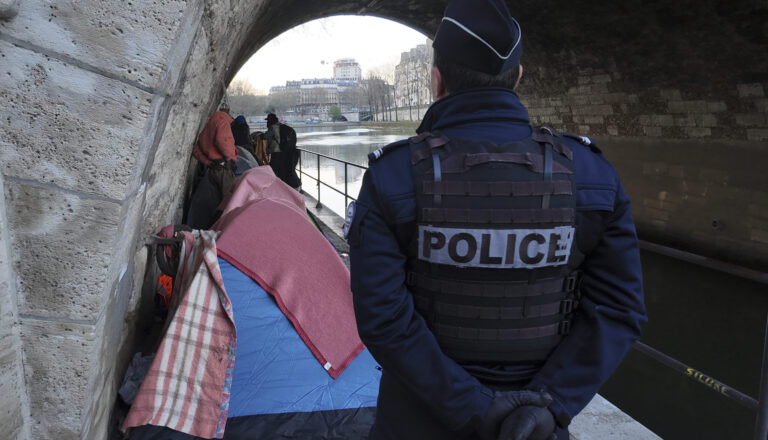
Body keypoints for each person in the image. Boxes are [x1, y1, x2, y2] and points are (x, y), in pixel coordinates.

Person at [346, 1, 647, 440]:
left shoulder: (392, 176)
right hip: (537, 426)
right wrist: (551, 403)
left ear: (436, 80)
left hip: (418, 420)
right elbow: (618, 309)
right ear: (518, 78)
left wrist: (476, 408)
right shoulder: (590, 174)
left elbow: (383, 318)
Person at [191, 103, 238, 201]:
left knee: (217, 201)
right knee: (230, 201)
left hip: (212, 169)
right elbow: (222, 141)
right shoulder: (223, 123)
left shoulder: (209, 124)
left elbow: (195, 150)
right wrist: (230, 159)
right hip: (223, 169)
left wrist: (208, 162)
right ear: (228, 112)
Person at [265, 113, 301, 189]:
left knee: (275, 169)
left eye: (267, 121)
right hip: (287, 151)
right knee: (286, 168)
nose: (267, 122)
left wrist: (261, 136)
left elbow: (266, 136)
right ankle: (293, 186)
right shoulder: (283, 127)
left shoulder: (273, 127)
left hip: (276, 152)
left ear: (270, 121)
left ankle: (278, 187)